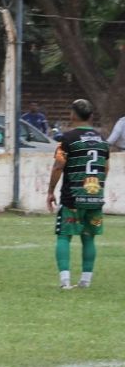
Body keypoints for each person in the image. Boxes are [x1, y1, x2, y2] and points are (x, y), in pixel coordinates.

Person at [47, 99, 109, 290]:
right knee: (89, 237)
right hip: (95, 197)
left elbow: (58, 166)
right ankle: (85, 281)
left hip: (72, 198)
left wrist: (50, 191)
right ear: (91, 116)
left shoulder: (67, 139)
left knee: (64, 236)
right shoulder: (102, 141)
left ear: (72, 114)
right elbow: (106, 168)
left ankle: (65, 281)